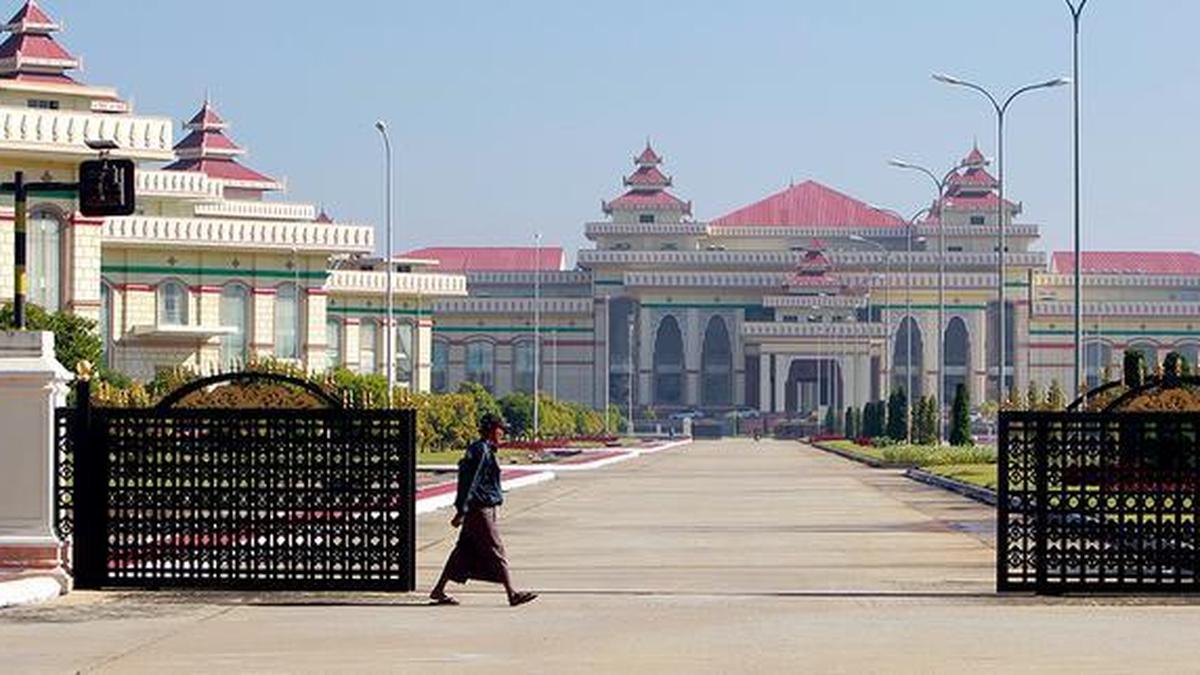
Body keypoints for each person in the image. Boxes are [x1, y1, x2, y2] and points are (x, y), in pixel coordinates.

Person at [430, 413, 538, 607]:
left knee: (462, 552)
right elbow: (470, 482)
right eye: (500, 429)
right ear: (491, 430)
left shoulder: (486, 449)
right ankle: (512, 594)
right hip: (479, 510)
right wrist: (461, 511)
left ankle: (438, 590)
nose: (503, 433)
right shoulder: (480, 450)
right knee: (497, 550)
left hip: (482, 508)